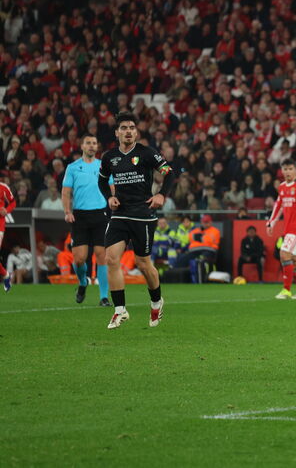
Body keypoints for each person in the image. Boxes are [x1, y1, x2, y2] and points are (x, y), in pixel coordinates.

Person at [97, 112, 176, 330]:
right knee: (111, 259)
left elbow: (169, 173)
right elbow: (102, 181)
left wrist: (161, 195)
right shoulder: (109, 157)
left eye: (132, 127)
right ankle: (120, 310)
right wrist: (109, 197)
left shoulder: (147, 153)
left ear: (136, 132)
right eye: (124, 128)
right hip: (120, 215)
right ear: (117, 133)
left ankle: (156, 302)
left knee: (143, 264)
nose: (128, 131)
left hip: (143, 214)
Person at [62, 135, 111, 305]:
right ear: (82, 146)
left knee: (102, 256)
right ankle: (83, 282)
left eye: (94, 143)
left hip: (100, 214)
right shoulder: (73, 167)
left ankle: (103, 297)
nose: (91, 146)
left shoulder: (103, 166)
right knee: (79, 259)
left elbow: (112, 188)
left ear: (97, 147)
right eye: (88, 143)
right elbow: (66, 192)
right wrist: (67, 211)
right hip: (80, 216)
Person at [266, 159, 296, 300]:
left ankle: (286, 290)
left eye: (290, 169)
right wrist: (271, 223)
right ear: (282, 171)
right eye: (285, 169)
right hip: (288, 228)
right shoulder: (282, 187)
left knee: (284, 254)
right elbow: (278, 206)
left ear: (295, 170)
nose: (287, 172)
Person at [178, 214, 221, 283]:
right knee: (182, 259)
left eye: (207, 222)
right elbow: (190, 237)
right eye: (204, 222)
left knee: (200, 260)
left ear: (211, 222)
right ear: (201, 222)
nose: (205, 224)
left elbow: (209, 240)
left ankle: (202, 281)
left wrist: (200, 238)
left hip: (208, 251)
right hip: (194, 251)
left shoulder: (215, 231)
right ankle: (181, 281)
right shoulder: (195, 230)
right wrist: (202, 237)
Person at [0, 178, 15, 292]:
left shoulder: (3, 187)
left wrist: (6, 210)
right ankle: (6, 275)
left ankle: (5, 275)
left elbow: (13, 202)